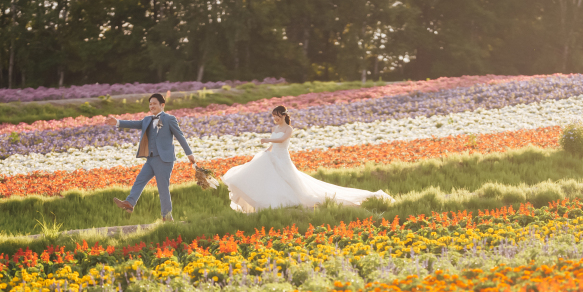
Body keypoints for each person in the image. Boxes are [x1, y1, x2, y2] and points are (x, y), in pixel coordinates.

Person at [222, 105, 393, 213]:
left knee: (291, 181)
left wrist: (269, 140)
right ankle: (269, 203)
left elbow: (282, 140)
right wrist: (267, 149)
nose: (275, 119)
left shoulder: (288, 129)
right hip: (273, 155)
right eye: (273, 116)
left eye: (277, 116)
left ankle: (291, 202)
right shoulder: (276, 127)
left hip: (282, 158)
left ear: (283, 116)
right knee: (268, 177)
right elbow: (274, 143)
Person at [104, 93, 196, 222]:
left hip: (164, 159)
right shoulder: (147, 120)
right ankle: (129, 203)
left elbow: (180, 136)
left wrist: (189, 154)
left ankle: (167, 216)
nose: (151, 106)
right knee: (140, 180)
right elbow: (133, 124)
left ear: (162, 105)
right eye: (150, 104)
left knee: (162, 188)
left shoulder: (169, 119)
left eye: (154, 103)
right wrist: (117, 122)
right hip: (151, 158)